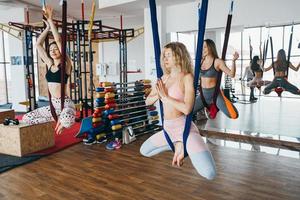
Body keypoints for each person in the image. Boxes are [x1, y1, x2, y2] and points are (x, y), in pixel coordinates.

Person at [140, 42, 216, 180]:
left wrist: (166, 97)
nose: (165, 59)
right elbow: (147, 102)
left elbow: (187, 109)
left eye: (168, 55)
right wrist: (159, 94)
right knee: (144, 151)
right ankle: (177, 145)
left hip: (184, 129)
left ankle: (182, 144)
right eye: (164, 56)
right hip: (168, 130)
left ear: (179, 56)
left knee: (209, 173)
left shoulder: (187, 77)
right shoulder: (163, 78)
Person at [22, 5, 75, 134]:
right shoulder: (50, 65)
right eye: (51, 50)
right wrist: (46, 28)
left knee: (68, 120)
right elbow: (38, 45)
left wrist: (50, 21)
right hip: (53, 106)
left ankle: (62, 120)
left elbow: (58, 40)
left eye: (55, 48)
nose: (53, 51)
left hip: (65, 104)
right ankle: (54, 120)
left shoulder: (66, 64)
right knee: (26, 118)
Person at [193, 39, 239, 118]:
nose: (202, 50)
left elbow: (232, 74)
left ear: (210, 48)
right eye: (202, 47)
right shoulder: (200, 61)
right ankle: (206, 109)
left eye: (205, 47)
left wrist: (233, 61)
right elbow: (194, 76)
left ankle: (214, 106)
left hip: (215, 95)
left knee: (234, 115)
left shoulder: (218, 62)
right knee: (187, 112)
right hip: (203, 96)